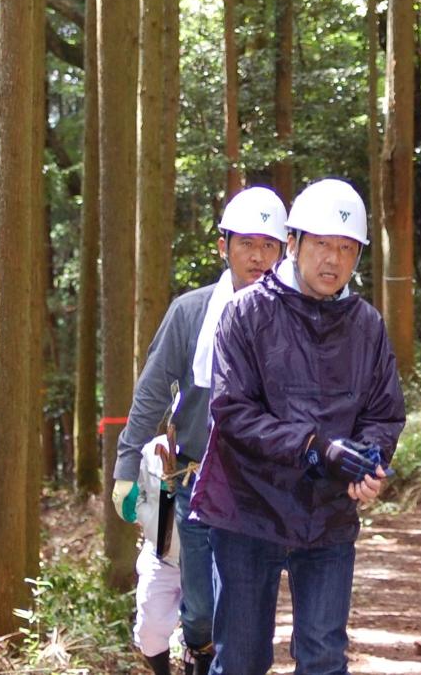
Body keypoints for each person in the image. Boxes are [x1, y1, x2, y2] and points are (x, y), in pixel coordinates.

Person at [191, 177, 406, 675]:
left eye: (347, 248)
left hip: (327, 514)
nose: (333, 260)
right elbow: (233, 411)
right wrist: (316, 448)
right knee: (242, 659)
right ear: (294, 243)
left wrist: (369, 462)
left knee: (324, 656)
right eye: (323, 245)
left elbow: (384, 411)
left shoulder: (366, 324)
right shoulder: (245, 313)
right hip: (247, 509)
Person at [113, 186, 290, 675]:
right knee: (201, 611)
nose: (258, 256)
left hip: (264, 487)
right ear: (223, 246)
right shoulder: (191, 312)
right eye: (247, 244)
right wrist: (127, 466)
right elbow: (152, 391)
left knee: (246, 609)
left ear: (285, 251)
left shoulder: (297, 317)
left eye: (269, 246)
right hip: (195, 481)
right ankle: (196, 654)